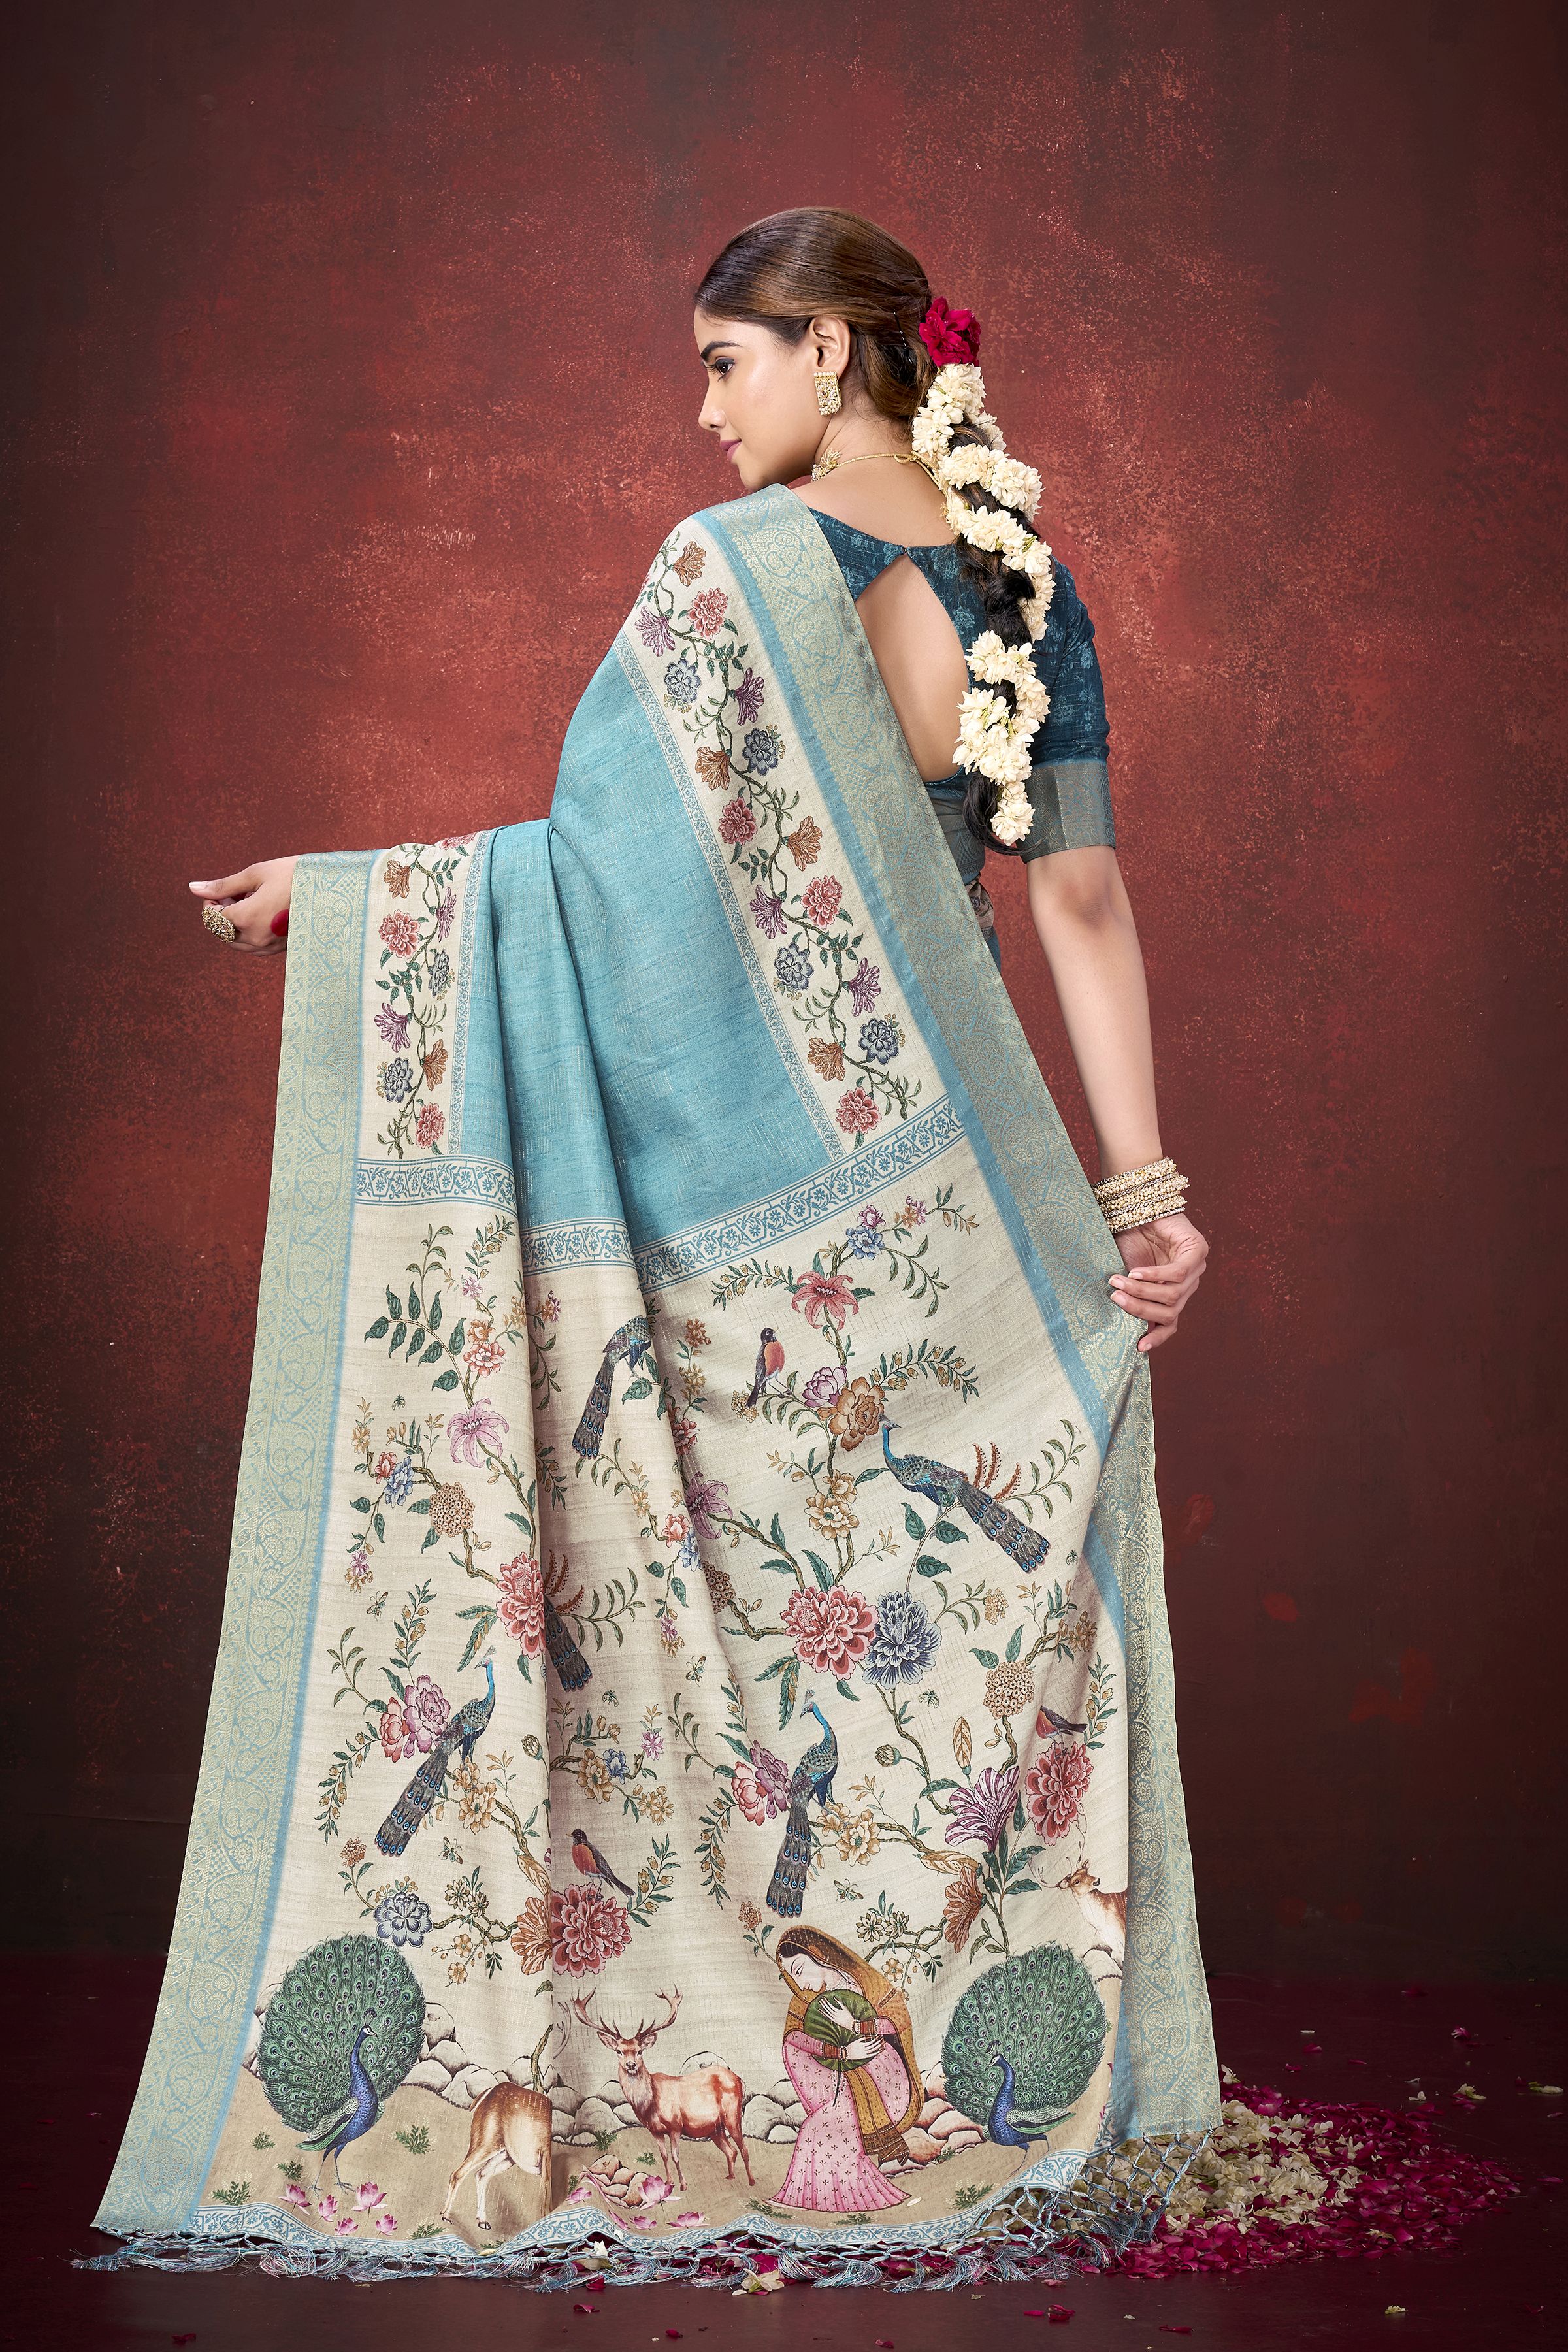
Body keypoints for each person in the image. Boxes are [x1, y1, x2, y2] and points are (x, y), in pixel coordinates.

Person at [101, 208, 1218, 2285]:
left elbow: (601, 899)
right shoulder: (1022, 589)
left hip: (745, 1228)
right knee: (910, 1643)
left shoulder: (735, 576)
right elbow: (1076, 904)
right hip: (950, 1226)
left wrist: (353, 906)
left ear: (835, 354)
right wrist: (1139, 1200)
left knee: (753, 1661)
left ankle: (773, 2063)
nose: (703, 409)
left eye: (726, 359)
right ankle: (903, 2076)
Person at [773, 1927, 923, 2213]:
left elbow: (897, 2021)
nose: (800, 1983)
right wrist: (841, 2053)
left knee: (826, 2125)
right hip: (837, 2077)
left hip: (883, 2071)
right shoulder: (803, 2000)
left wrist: (855, 2025)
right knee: (814, 2127)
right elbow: (794, 2039)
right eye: (792, 1977)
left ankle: (848, 2191)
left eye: (800, 1970)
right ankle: (826, 2196)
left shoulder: (865, 1982)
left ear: (817, 1955)